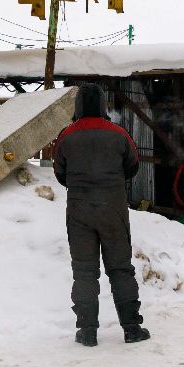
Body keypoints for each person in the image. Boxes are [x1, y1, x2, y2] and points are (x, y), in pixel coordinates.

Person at [52, 84, 150, 347]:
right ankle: (131, 328)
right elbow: (133, 166)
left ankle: (87, 332)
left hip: (79, 211)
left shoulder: (67, 135)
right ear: (103, 105)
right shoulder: (119, 134)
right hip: (113, 210)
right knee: (120, 269)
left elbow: (60, 173)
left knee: (84, 272)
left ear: (79, 106)